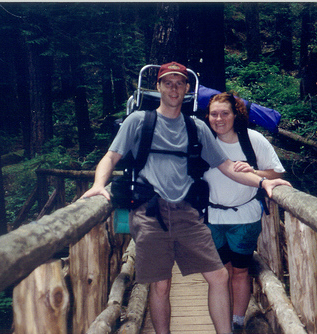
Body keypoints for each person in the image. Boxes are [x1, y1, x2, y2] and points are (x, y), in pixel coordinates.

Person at [81, 62, 291, 334]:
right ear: (158, 86)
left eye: (179, 82)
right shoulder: (138, 122)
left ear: (187, 89)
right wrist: (99, 184)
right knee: (161, 284)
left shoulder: (196, 128)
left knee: (219, 275)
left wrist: (264, 182)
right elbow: (111, 156)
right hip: (149, 213)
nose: (173, 87)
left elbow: (228, 167)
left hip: (187, 214)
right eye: (167, 82)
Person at [203, 92, 286, 333]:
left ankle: (236, 323)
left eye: (224, 113)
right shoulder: (204, 142)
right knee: (221, 273)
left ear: (235, 114)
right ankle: (224, 323)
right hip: (212, 218)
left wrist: (255, 172)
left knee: (239, 271)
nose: (219, 119)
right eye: (214, 114)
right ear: (207, 117)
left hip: (245, 217)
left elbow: (277, 173)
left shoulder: (253, 140)